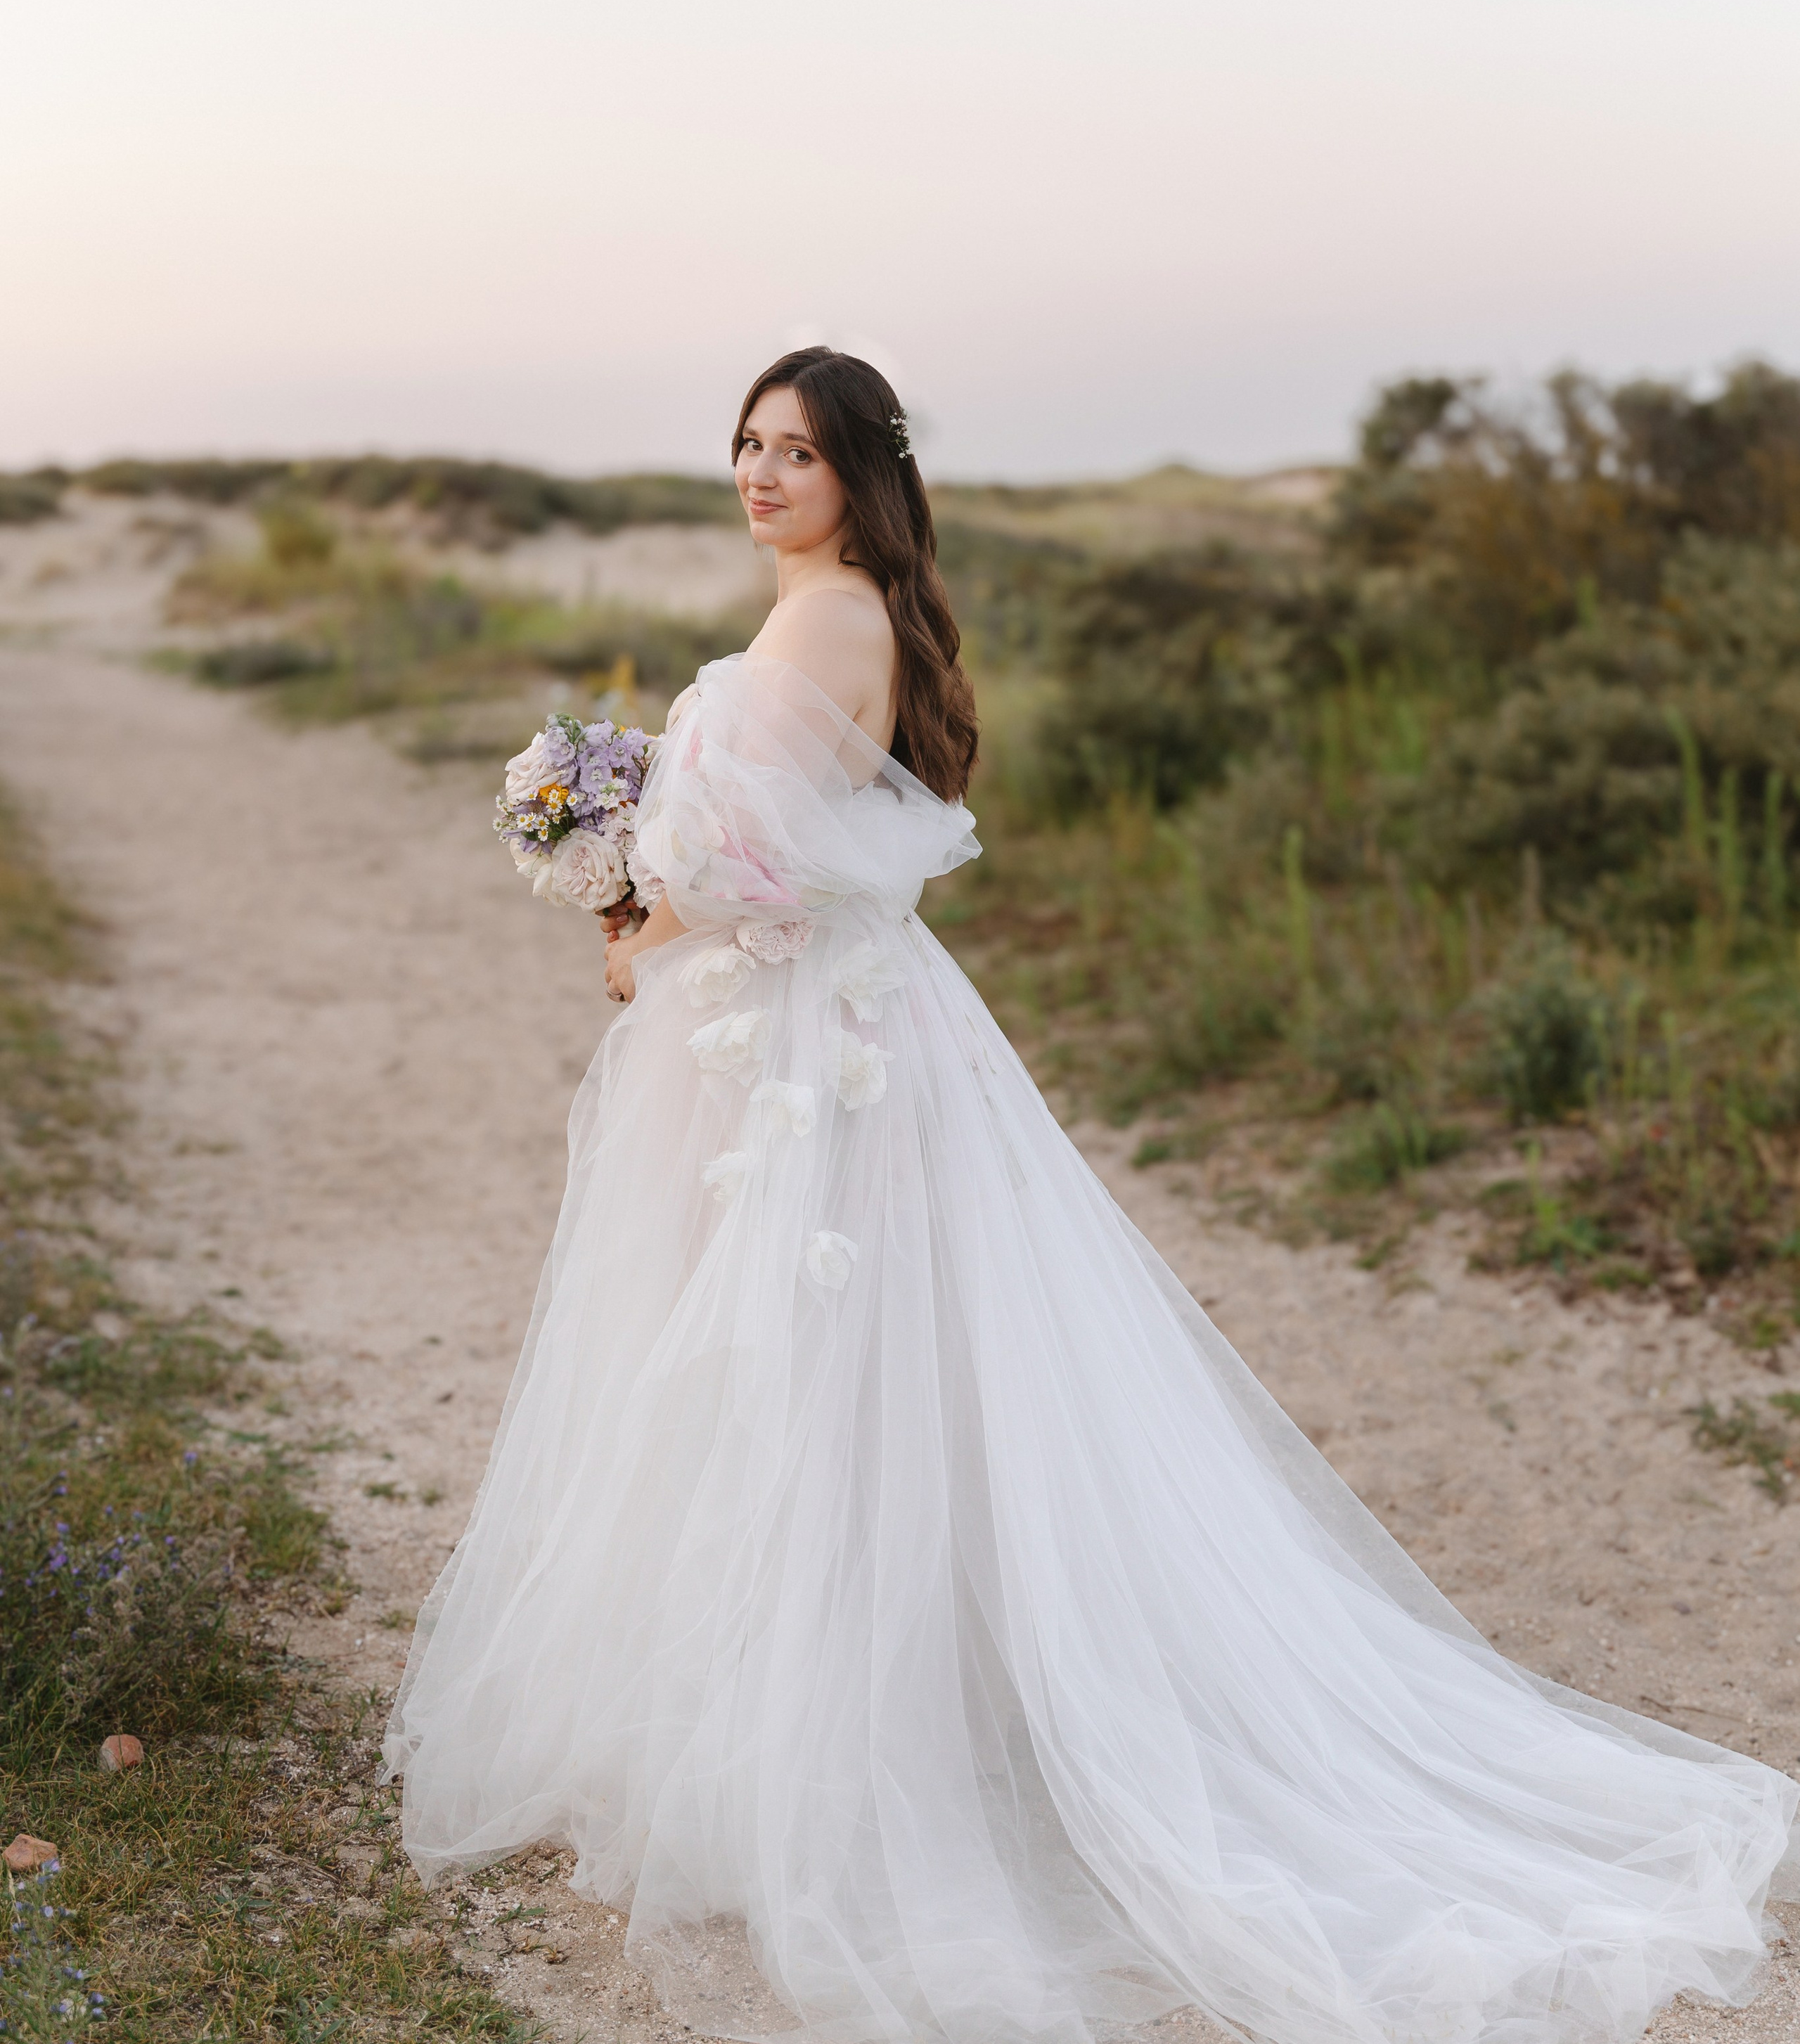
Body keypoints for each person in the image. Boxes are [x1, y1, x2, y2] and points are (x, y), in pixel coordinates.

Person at [385, 348, 1797, 2044]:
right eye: (746, 446)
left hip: (797, 1051)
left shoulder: (830, 618)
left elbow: (741, 860)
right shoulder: (829, 614)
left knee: (792, 1368)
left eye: (797, 453)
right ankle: (811, 1717)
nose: (760, 476)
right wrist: (638, 869)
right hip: (801, 1028)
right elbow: (779, 831)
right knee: (809, 1371)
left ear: (859, 478)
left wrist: (630, 909)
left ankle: (826, 1755)